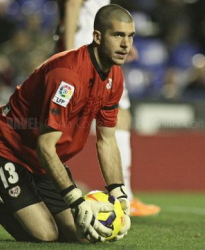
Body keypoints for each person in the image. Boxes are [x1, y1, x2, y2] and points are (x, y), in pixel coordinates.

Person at [0, 4, 134, 243]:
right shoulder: (67, 77)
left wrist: (119, 193)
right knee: (46, 235)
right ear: (97, 36)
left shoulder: (114, 76)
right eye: (117, 35)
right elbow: (45, 145)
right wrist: (75, 197)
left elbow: (106, 140)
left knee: (79, 235)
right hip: (5, 148)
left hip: (42, 159)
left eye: (130, 36)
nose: (126, 44)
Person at [55, 0, 160, 217]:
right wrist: (69, 56)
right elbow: (73, 6)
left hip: (85, 45)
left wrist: (121, 42)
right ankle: (125, 196)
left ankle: (35, 182)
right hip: (88, 50)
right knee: (116, 116)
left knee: (66, 122)